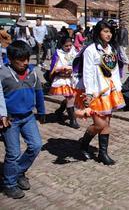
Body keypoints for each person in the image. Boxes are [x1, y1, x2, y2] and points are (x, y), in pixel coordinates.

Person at [74, 20, 125, 165]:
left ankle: (103, 153)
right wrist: (89, 93)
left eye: (110, 32)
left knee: (107, 122)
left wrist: (118, 87)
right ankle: (84, 144)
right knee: (99, 124)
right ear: (98, 32)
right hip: (95, 90)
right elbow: (88, 71)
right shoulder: (91, 50)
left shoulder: (111, 49)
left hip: (109, 90)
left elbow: (114, 70)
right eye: (105, 31)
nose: (108, 34)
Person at [0, 40, 45, 199]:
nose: (25, 63)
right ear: (11, 59)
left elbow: (39, 92)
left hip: (28, 117)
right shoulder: (3, 73)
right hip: (10, 120)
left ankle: (18, 172)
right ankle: (9, 183)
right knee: (13, 153)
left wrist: (41, 110)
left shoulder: (33, 72)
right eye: (21, 60)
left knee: (36, 145)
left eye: (27, 59)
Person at [49, 37, 79, 129]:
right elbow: (53, 68)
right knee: (70, 97)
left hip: (73, 78)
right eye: (66, 46)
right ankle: (72, 119)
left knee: (72, 97)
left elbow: (78, 64)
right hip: (62, 79)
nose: (69, 47)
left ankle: (60, 110)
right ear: (62, 45)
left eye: (70, 45)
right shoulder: (58, 54)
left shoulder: (75, 52)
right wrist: (61, 70)